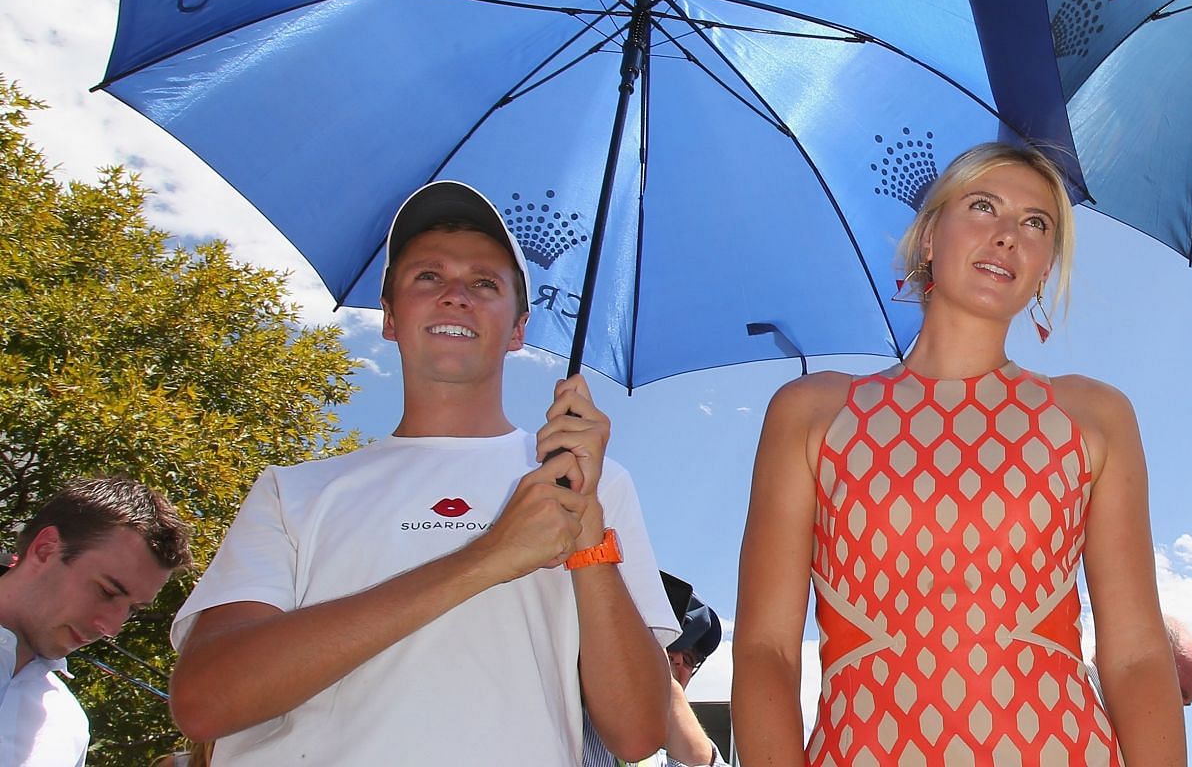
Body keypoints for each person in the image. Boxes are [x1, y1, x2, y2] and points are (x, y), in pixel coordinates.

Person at [169, 181, 678, 764]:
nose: (456, 295)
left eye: (485, 283)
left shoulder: (593, 486)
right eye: (428, 277)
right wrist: (487, 557)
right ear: (389, 317)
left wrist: (588, 533)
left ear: (517, 329)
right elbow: (205, 700)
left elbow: (639, 733)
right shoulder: (293, 492)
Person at [732, 143, 1186, 765]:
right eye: (982, 207)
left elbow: (1135, 652)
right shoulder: (811, 414)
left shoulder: (1094, 417)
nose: (1007, 237)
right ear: (928, 238)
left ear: (1045, 267)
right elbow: (766, 651)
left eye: (1035, 224)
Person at [1, 477, 192, 766]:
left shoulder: (67, 726)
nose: (112, 628)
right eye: (107, 591)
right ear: (45, 548)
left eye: (133, 610)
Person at [587, 572, 727, 767]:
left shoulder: (658, 759)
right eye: (668, 647)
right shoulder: (557, 704)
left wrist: (667, 687)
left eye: (688, 659)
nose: (677, 661)